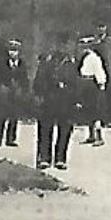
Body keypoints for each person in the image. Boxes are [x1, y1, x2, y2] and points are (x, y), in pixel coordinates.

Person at [33, 39, 80, 171]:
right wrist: (42, 94)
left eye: (65, 45)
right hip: (49, 100)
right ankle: (44, 158)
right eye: (60, 45)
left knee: (65, 129)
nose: (62, 49)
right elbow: (39, 81)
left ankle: (60, 158)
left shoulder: (71, 64)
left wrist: (75, 99)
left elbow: (76, 84)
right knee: (45, 129)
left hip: (65, 101)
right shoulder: (47, 62)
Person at [77, 36, 109, 145]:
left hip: (92, 85)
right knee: (88, 110)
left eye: (86, 46)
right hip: (85, 84)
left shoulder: (94, 58)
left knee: (96, 111)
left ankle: (99, 137)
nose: (84, 49)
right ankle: (91, 135)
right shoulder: (84, 58)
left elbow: (99, 71)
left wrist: (101, 84)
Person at [0, 39, 28, 148]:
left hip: (16, 92)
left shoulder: (22, 64)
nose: (13, 53)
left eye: (15, 50)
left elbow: (25, 79)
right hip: (5, 91)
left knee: (14, 115)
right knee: (1, 115)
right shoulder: (3, 63)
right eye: (11, 50)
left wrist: (23, 89)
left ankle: (11, 138)